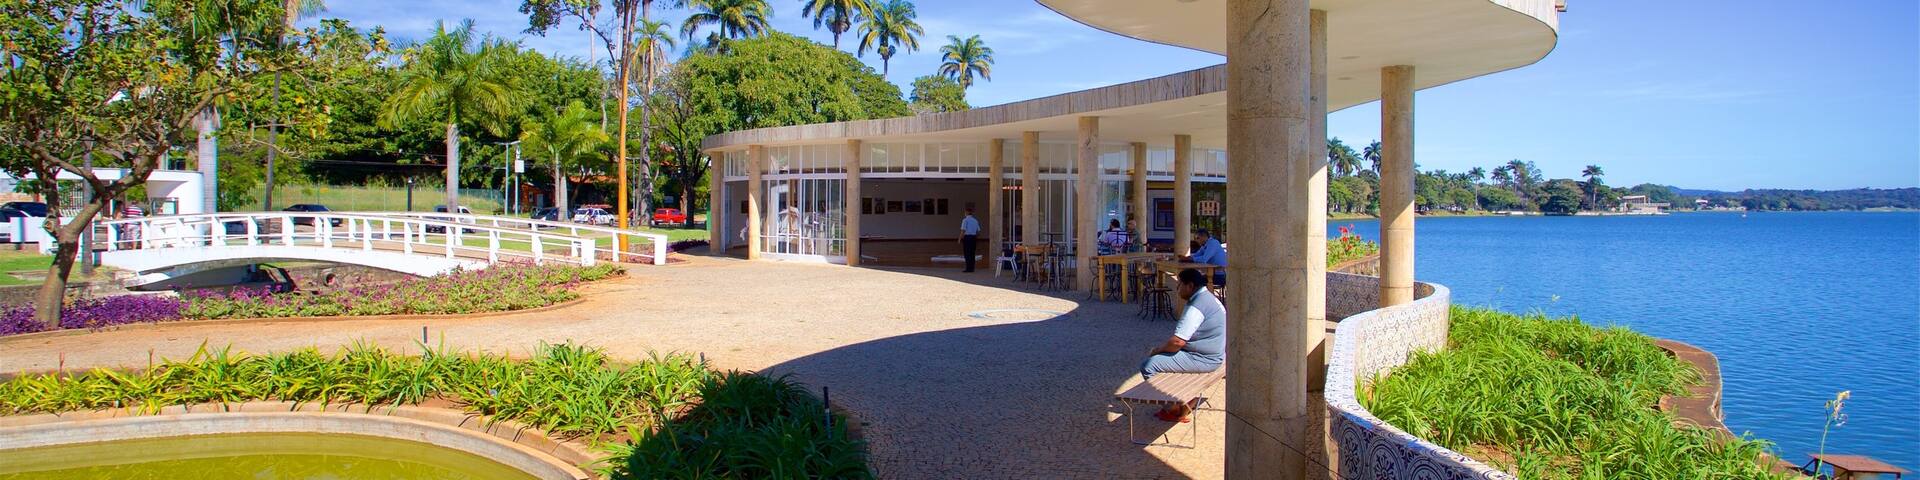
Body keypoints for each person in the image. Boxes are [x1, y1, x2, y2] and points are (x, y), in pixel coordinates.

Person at [1138, 268, 1226, 422]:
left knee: (1149, 365)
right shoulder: (1209, 297)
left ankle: (1175, 407)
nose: (1177, 289)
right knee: (1165, 358)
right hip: (1214, 353)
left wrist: (1157, 351)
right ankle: (1179, 398)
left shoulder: (1196, 307)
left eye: (1179, 285)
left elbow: (1177, 342)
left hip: (1204, 359)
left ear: (1190, 286)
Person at [959, 208, 980, 272]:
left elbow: (963, 230)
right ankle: (972, 268)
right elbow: (978, 231)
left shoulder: (965, 220)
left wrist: (960, 238)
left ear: (967, 213)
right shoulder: (975, 220)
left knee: (967, 253)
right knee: (972, 253)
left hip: (967, 238)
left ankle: (968, 268)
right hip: (973, 238)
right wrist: (975, 237)